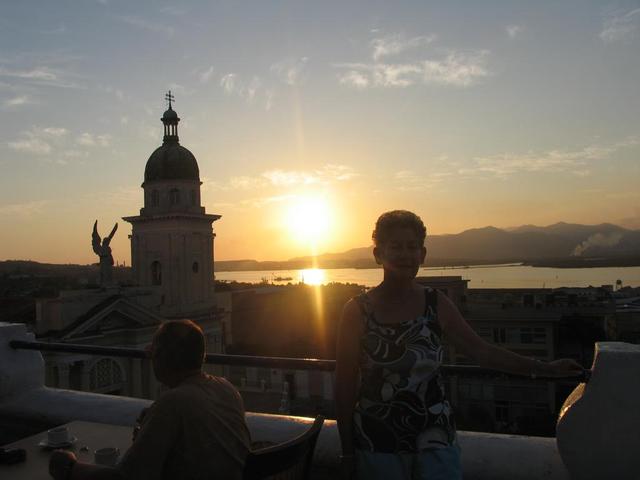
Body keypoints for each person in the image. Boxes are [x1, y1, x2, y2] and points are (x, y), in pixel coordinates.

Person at [335, 210, 583, 480]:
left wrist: (545, 368)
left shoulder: (436, 303)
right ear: (378, 254)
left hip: (436, 441)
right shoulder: (357, 311)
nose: (405, 255)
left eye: (412, 247)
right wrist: (347, 452)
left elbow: (483, 352)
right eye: (395, 246)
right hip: (377, 444)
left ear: (423, 254)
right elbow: (345, 385)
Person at [49, 320, 251, 480]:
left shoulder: (173, 402)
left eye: (154, 351)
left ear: (162, 358)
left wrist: (70, 467)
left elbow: (126, 477)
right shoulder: (227, 388)